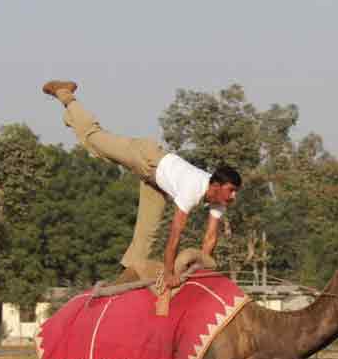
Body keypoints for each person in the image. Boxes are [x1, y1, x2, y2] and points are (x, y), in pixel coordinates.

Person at [42, 80, 241, 289]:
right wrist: (168, 273)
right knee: (94, 139)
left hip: (156, 183)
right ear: (216, 186)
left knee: (146, 238)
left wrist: (204, 268)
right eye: (231, 190)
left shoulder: (219, 200)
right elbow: (175, 235)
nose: (233, 196)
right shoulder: (192, 189)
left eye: (235, 192)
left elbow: (210, 238)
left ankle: (124, 279)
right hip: (147, 157)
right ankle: (66, 95)